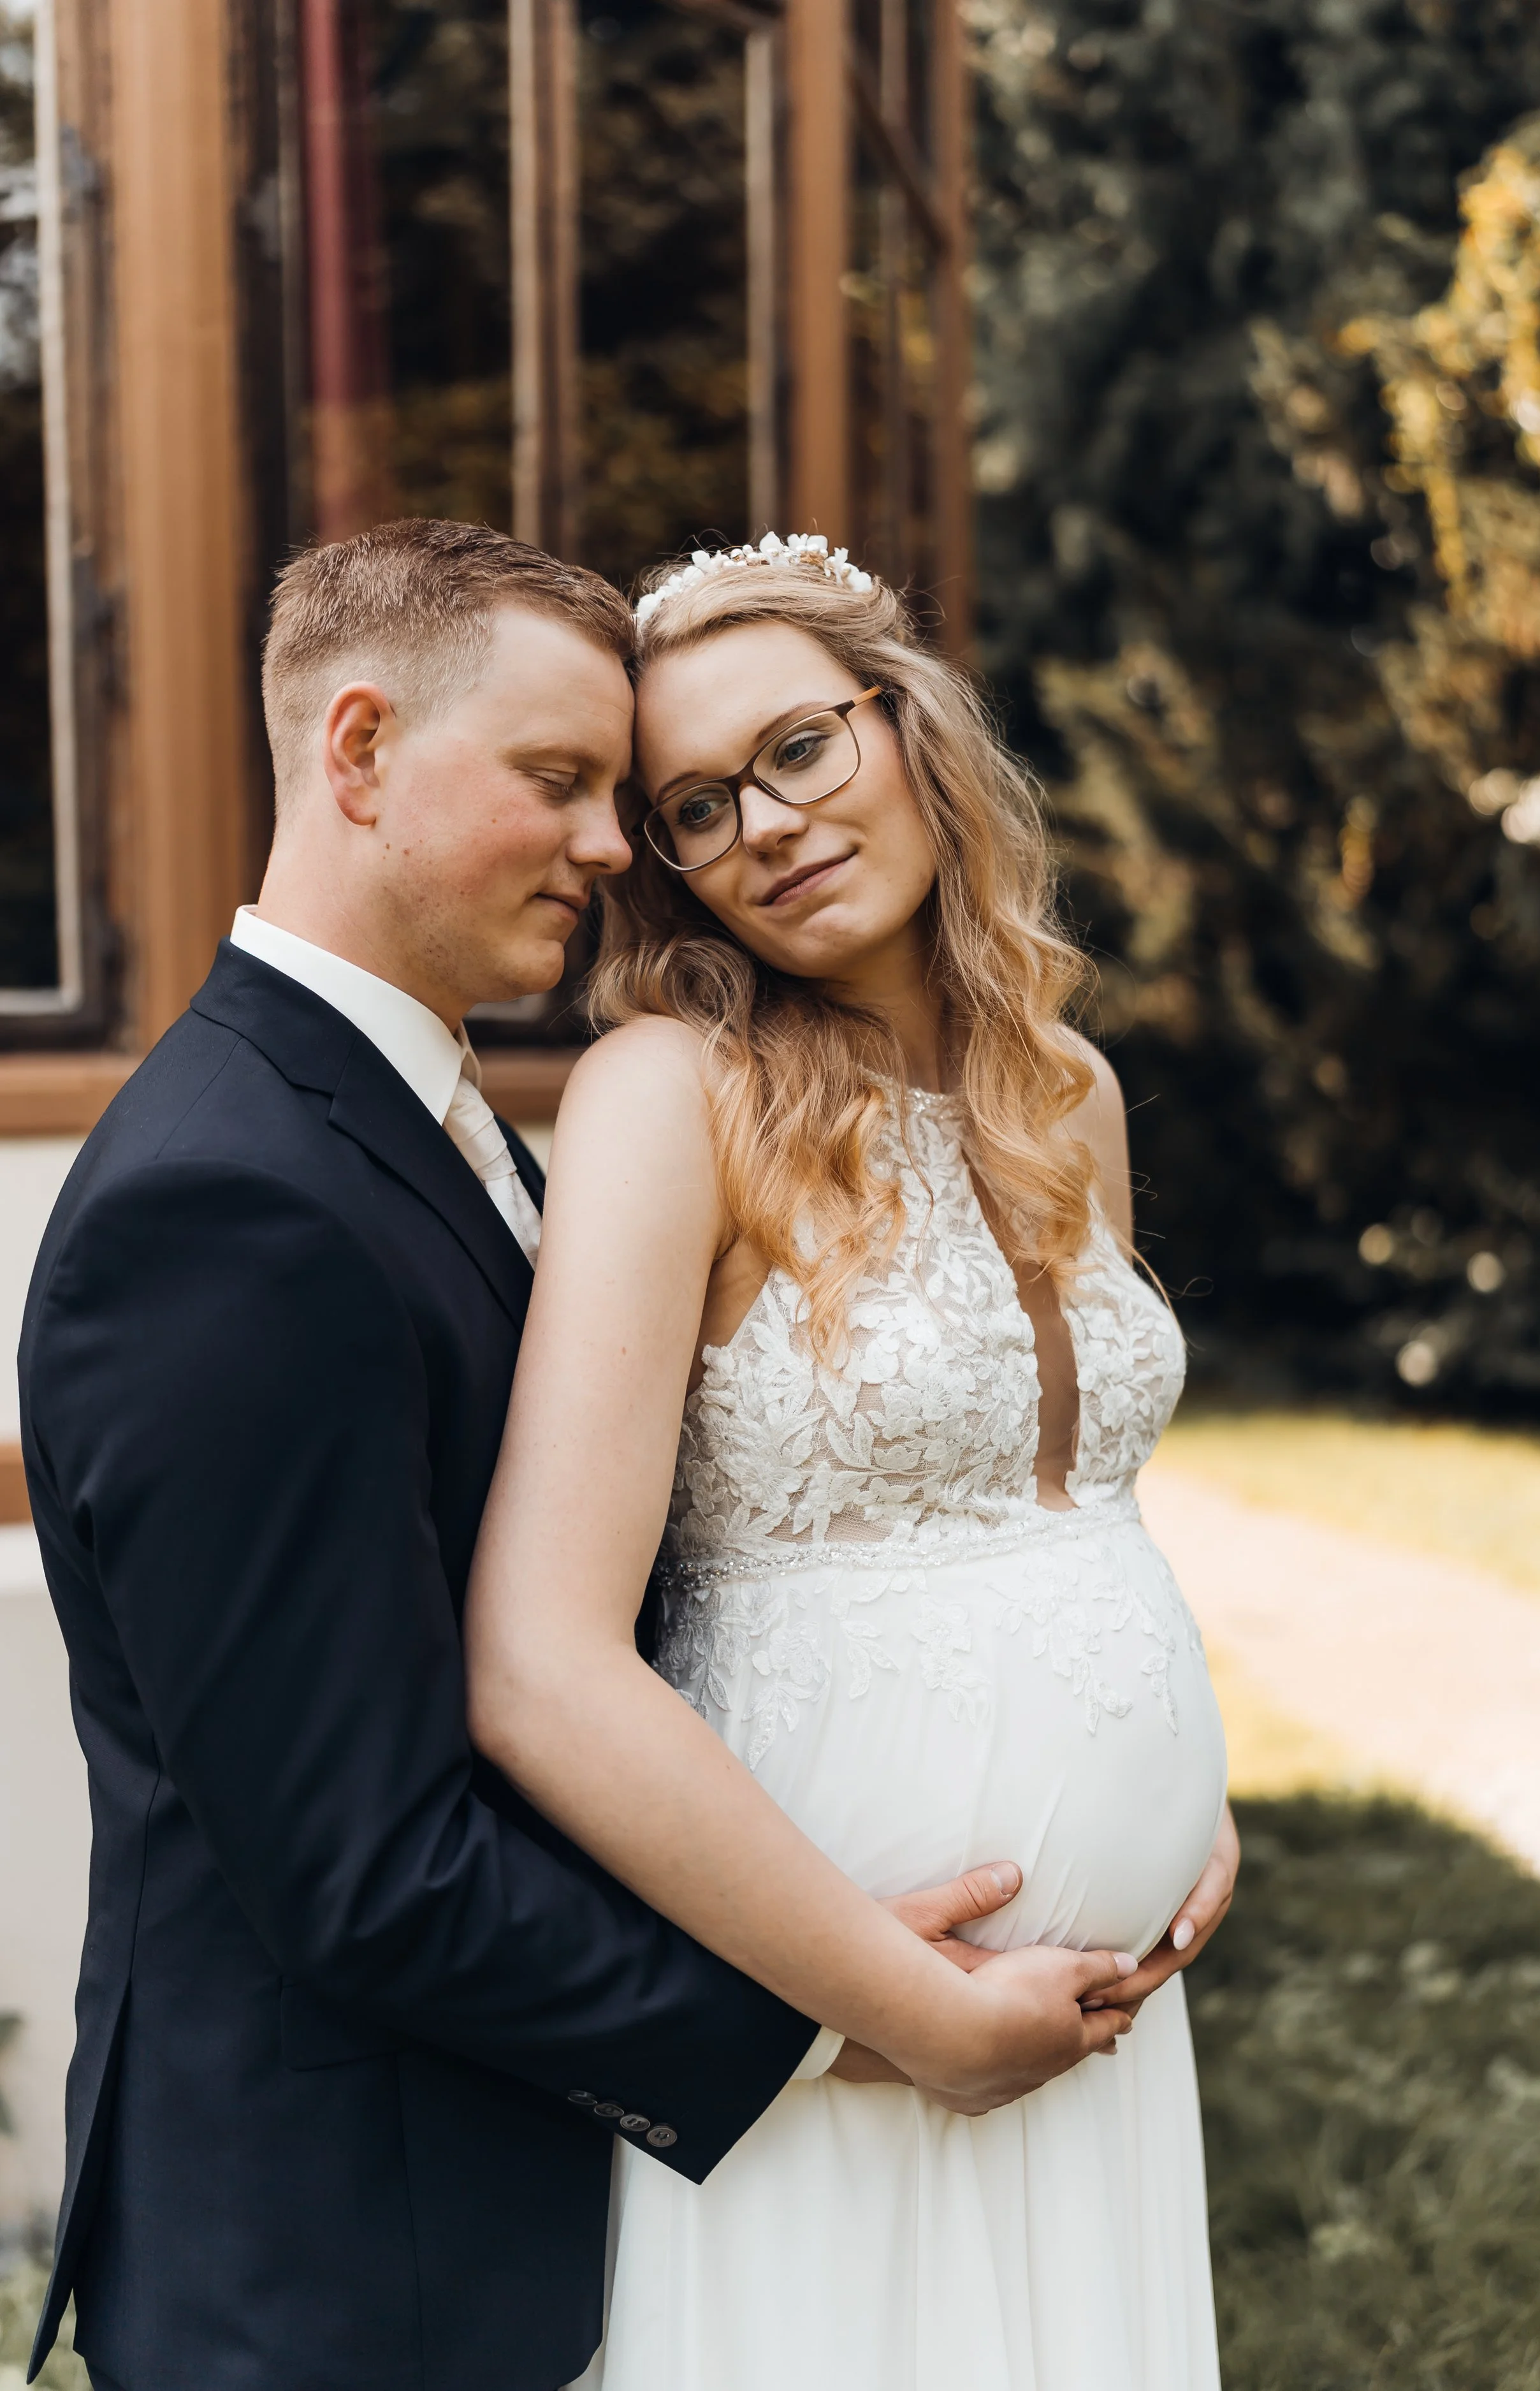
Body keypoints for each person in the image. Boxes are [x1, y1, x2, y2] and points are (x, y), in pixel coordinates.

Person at [18, 520, 1172, 2391]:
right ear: (359, 750)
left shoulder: (420, 1115)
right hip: (338, 2256)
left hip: (511, 2184)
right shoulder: (223, 1201)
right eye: (570, 783)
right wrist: (840, 2024)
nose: (622, 846)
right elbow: (365, 1868)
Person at [466, 533, 1239, 2391]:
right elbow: (537, 1657)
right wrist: (902, 2011)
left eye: (799, 750)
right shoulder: (671, 1091)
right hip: (851, 2014)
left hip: (1098, 2022)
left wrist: (1175, 1792)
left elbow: (1072, 1508)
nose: (764, 825)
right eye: (695, 806)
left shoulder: (1068, 1089)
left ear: (908, 728)